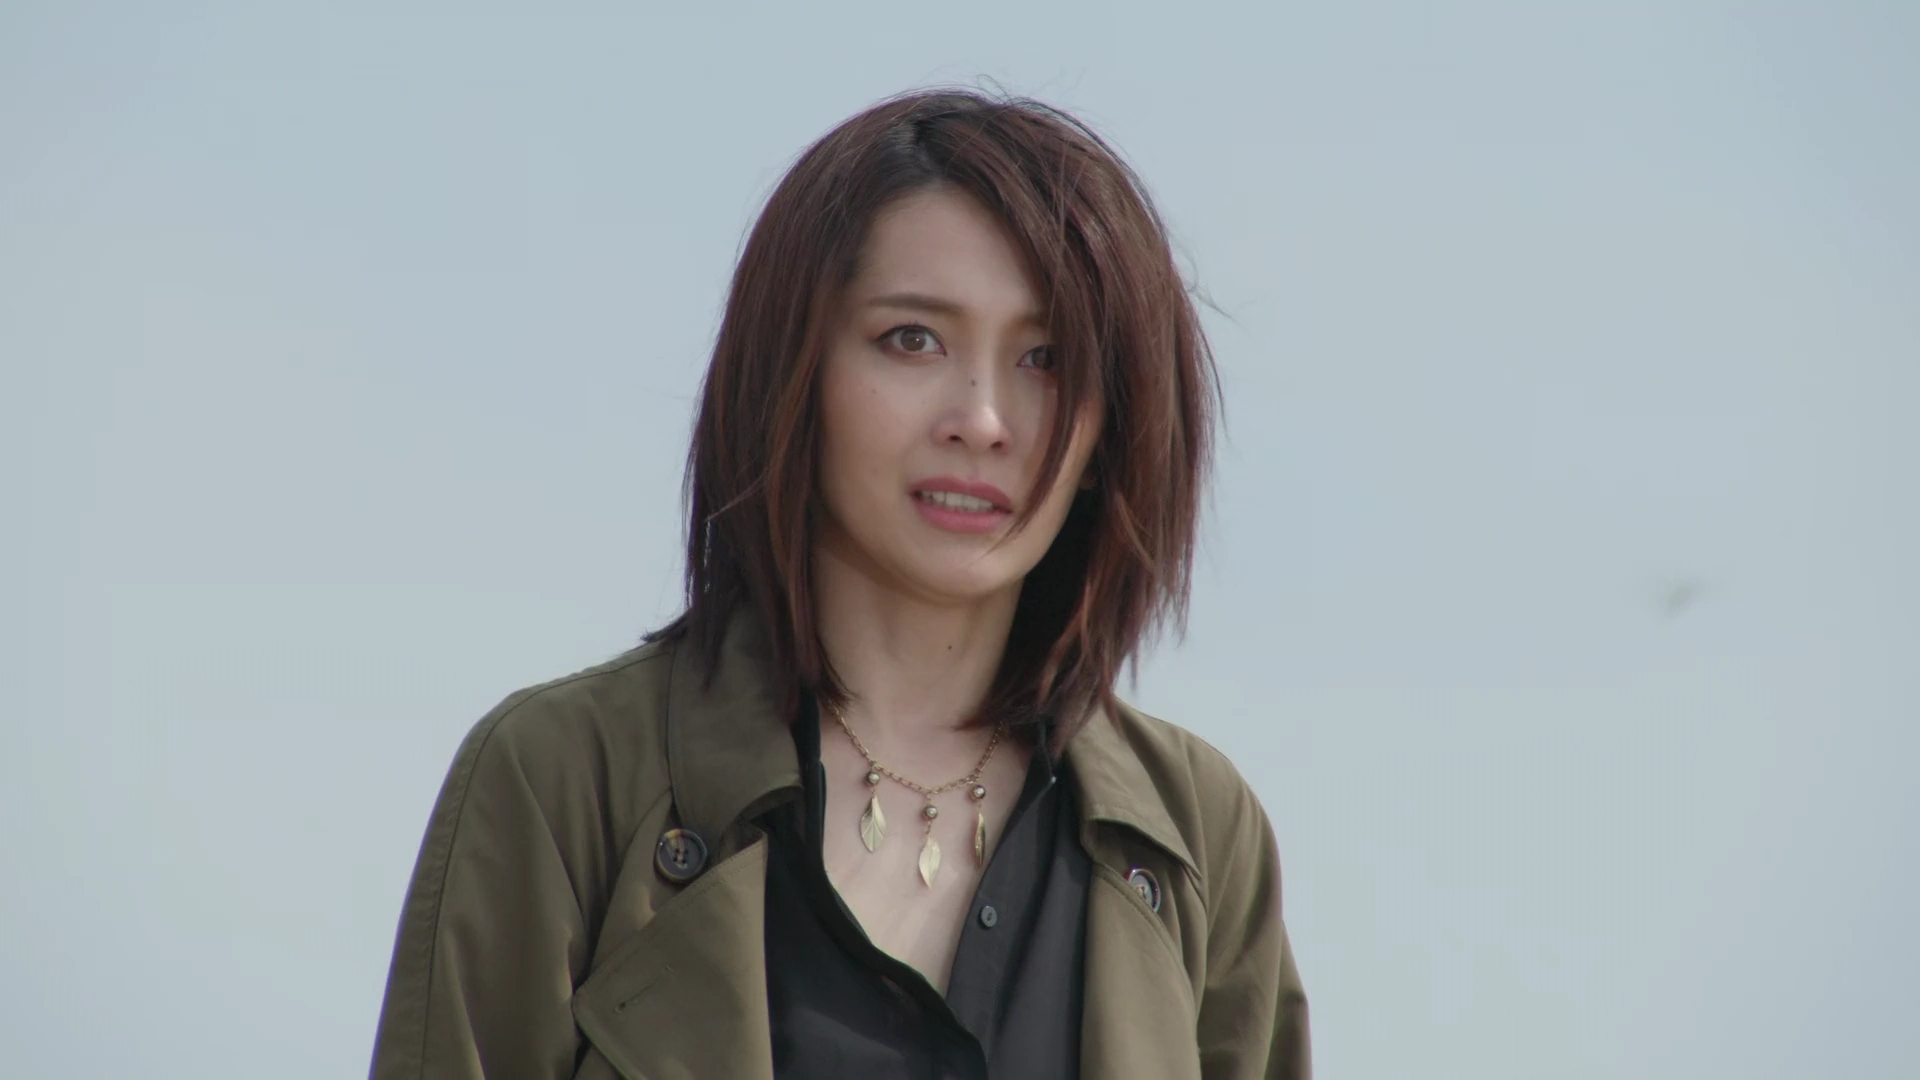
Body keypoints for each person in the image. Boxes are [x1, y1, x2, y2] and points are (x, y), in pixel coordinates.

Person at [369, 88, 1310, 1080]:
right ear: (795, 372)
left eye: (1048, 358)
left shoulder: (1199, 835)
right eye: (914, 339)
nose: (983, 420)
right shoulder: (565, 777)